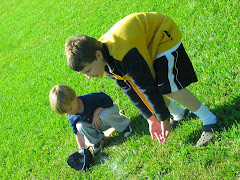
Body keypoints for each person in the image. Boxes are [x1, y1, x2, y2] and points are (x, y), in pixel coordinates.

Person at [64, 12, 221, 147]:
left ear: (98, 55)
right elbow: (130, 90)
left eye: (88, 70)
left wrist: (163, 119)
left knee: (169, 87)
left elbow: (148, 87)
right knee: (147, 89)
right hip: (146, 46)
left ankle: (210, 120)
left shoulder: (123, 55)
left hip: (162, 35)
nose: (88, 76)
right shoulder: (105, 61)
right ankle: (180, 114)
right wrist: (151, 119)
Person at [49, 84, 132, 154]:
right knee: (79, 126)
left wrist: (97, 112)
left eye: (70, 109)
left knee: (104, 114)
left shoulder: (90, 99)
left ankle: (124, 126)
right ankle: (98, 141)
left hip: (108, 118)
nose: (69, 114)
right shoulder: (72, 116)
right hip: (97, 127)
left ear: (75, 97)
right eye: (66, 113)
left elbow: (108, 100)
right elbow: (78, 134)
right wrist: (81, 150)